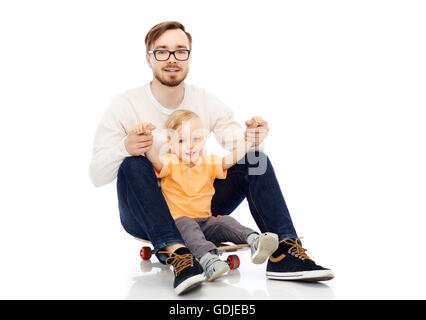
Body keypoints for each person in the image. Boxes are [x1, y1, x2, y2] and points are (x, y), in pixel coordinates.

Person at [89, 21, 334, 294]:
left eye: (180, 51)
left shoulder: (205, 100)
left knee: (254, 158)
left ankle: (284, 252)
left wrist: (253, 137)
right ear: (149, 58)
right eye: (162, 52)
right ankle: (178, 254)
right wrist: (126, 145)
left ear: (189, 57)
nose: (172, 59)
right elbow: (97, 175)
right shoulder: (125, 105)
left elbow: (243, 158)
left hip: (198, 204)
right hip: (145, 213)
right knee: (133, 163)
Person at [138, 109, 279, 283]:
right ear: (171, 144)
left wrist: (248, 140)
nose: (190, 145)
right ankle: (209, 260)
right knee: (188, 226)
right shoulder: (170, 162)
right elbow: (154, 160)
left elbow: (231, 159)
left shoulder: (207, 163)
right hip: (179, 224)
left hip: (205, 221)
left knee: (225, 221)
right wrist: (148, 141)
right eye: (182, 141)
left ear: (203, 140)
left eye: (196, 139)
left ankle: (255, 240)